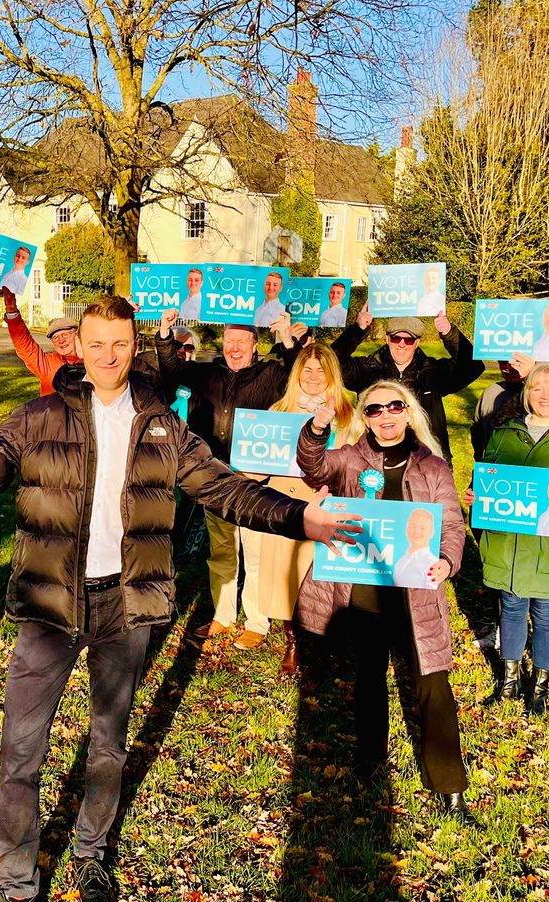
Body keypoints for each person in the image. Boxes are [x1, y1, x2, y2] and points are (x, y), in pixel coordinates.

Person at [0, 295, 360, 902]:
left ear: (134, 346)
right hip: (49, 604)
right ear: (77, 346)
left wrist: (301, 517)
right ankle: (16, 885)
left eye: (120, 343)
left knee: (108, 744)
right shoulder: (39, 417)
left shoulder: (163, 426)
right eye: (97, 343)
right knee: (21, 748)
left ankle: (89, 855)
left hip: (127, 605)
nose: (109, 356)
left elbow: (222, 488)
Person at [296, 379, 473, 821]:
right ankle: (370, 762)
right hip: (365, 590)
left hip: (417, 595)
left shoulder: (433, 466)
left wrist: (448, 562)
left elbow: (450, 524)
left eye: (395, 407)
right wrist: (316, 428)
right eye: (374, 410)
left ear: (408, 411)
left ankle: (449, 785)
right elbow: (313, 466)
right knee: (369, 679)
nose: (386, 416)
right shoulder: (351, 460)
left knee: (432, 685)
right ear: (365, 418)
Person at [155, 306, 304, 650]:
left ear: (254, 345)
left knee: (255, 553)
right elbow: (171, 368)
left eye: (242, 341)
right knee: (221, 549)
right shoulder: (205, 374)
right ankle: (223, 615)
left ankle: (256, 620)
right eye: (229, 340)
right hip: (215, 476)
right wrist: (165, 331)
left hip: (256, 479)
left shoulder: (271, 375)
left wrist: (285, 336)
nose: (234, 347)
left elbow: (300, 373)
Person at [244, 343, 354, 674]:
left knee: (322, 580)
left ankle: (327, 641)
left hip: (328, 504)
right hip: (285, 503)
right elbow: (257, 465)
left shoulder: (349, 414)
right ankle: (293, 642)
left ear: (332, 374)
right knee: (286, 577)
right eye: (307, 370)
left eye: (321, 370)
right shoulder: (278, 411)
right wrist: (248, 468)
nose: (314, 377)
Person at [471, 364, 549, 716]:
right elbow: (488, 473)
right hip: (509, 540)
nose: (545, 394)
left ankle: (539, 687)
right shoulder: (503, 430)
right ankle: (509, 682)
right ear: (527, 392)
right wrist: (476, 495)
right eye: (538, 387)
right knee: (510, 607)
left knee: (546, 611)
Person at [331, 304, 484, 463]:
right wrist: (357, 330)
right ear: (388, 339)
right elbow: (331, 362)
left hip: (428, 458)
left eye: (409, 340)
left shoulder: (433, 371)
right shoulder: (365, 369)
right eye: (396, 338)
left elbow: (473, 367)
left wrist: (450, 334)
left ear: (417, 342)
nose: (402, 344)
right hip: (374, 458)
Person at [0, 288, 81, 396]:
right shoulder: (47, 364)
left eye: (65, 334)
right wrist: (12, 311)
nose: (61, 340)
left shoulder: (93, 360)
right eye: (55, 338)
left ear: (77, 335)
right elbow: (25, 346)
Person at [471, 352, 533, 461]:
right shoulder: (492, 392)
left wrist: (532, 377)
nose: (508, 367)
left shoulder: (546, 394)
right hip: (494, 470)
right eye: (503, 362)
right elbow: (478, 431)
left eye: (516, 362)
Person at [392, 509, 440, 589]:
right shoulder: (400, 561)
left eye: (423, 528)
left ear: (431, 532)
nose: (416, 532)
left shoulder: (432, 564)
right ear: (406, 529)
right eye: (412, 526)